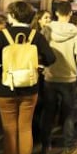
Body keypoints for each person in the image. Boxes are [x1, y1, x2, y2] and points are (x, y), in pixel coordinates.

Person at [0, 1, 55, 154]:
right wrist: (38, 65)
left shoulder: (2, 36)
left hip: (6, 88)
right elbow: (51, 58)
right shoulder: (36, 36)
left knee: (9, 130)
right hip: (30, 87)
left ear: (13, 16)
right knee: (25, 128)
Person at [40, 2, 77, 154]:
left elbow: (41, 52)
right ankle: (69, 147)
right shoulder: (76, 33)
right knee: (68, 113)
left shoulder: (46, 29)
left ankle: (45, 146)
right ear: (70, 13)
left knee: (48, 112)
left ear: (57, 13)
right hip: (68, 78)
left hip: (50, 76)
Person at [30, 10, 52, 143]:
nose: (49, 20)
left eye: (50, 17)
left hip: (43, 71)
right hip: (38, 71)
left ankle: (38, 132)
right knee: (39, 104)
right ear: (38, 20)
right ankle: (37, 133)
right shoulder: (37, 34)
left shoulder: (48, 32)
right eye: (46, 18)